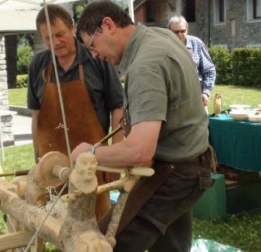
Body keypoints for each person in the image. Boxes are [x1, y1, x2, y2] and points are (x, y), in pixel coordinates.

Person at [71, 1, 214, 251]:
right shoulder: (159, 35)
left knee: (101, 244)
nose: (94, 54)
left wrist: (89, 153)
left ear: (108, 25)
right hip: (192, 163)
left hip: (176, 174)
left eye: (92, 45)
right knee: (170, 248)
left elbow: (140, 151)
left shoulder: (145, 64)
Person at [27, 4, 124, 220]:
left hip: (91, 162)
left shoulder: (97, 57)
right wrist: (38, 158)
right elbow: (36, 116)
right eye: (48, 38)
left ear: (72, 28)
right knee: (57, 222)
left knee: (95, 222)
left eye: (60, 34)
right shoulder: (38, 65)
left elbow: (118, 107)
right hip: (53, 164)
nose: (55, 42)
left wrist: (116, 155)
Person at [167, 15, 216, 113]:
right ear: (169, 31)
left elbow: (209, 70)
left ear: (187, 30)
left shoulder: (196, 43)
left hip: (197, 98)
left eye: (183, 31)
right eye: (176, 32)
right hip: (172, 101)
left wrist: (206, 92)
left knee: (203, 127)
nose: (180, 34)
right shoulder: (164, 47)